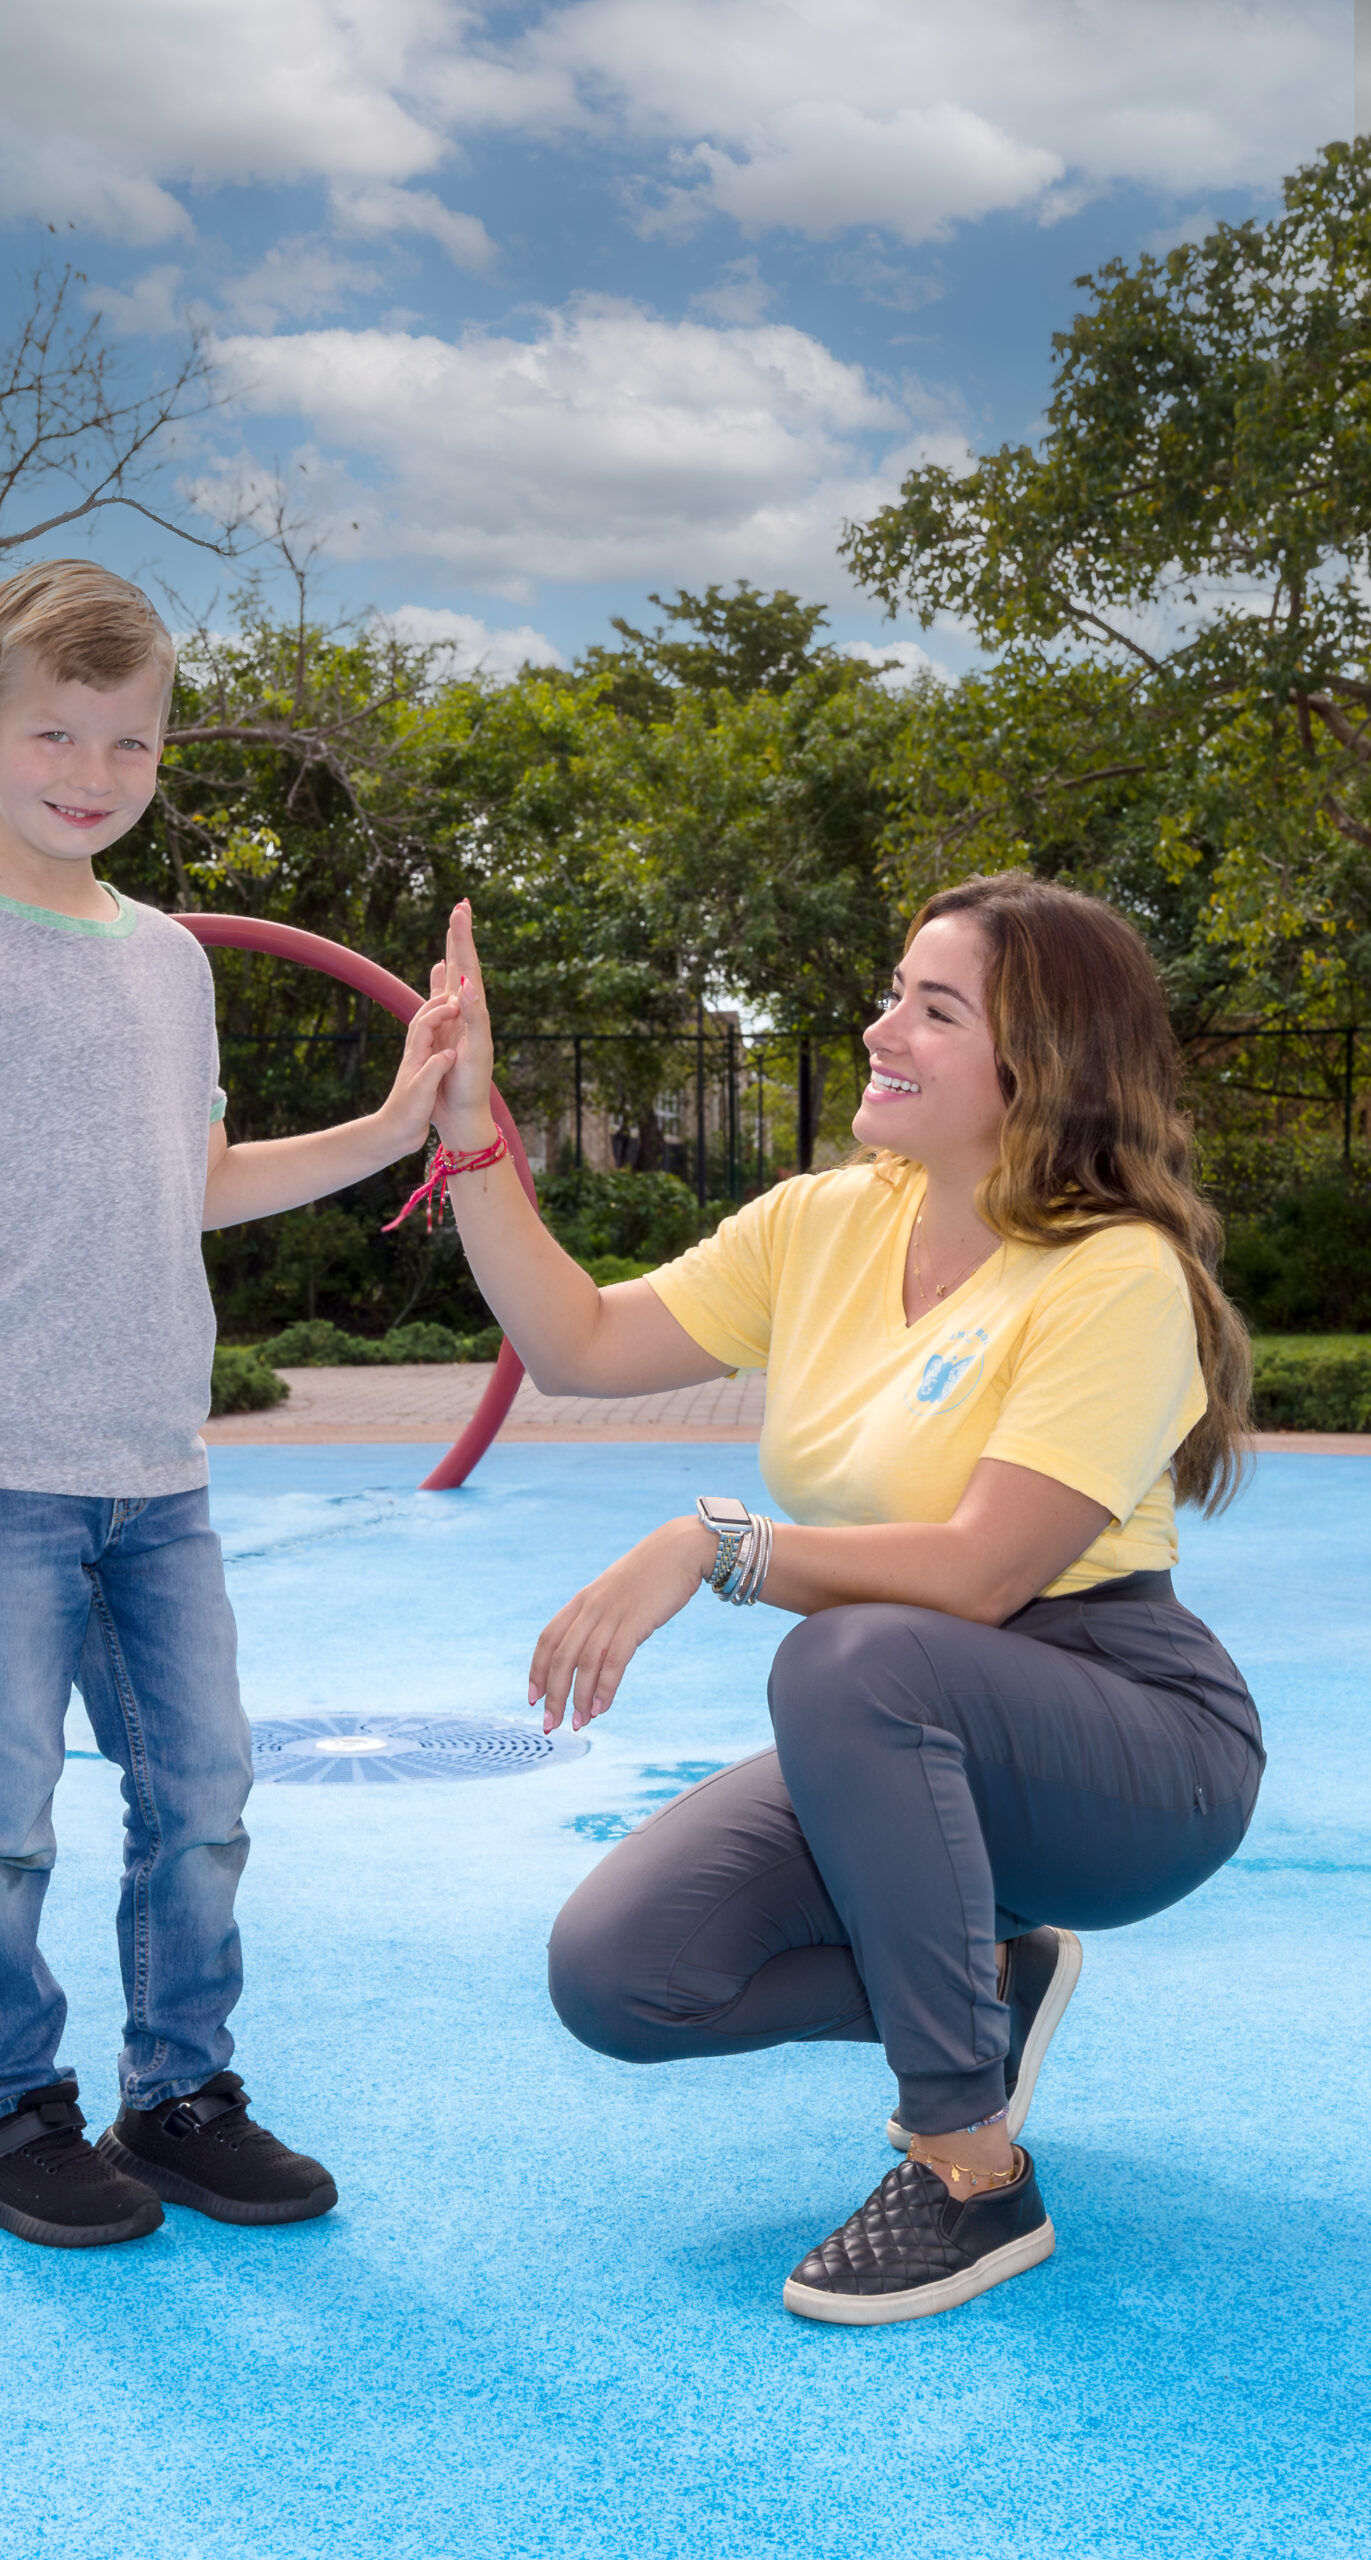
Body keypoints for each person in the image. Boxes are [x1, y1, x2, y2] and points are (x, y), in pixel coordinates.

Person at [419, 872, 1262, 2325]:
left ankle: (968, 2173)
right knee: (623, 1975)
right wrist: (468, 1129)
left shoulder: (1119, 1275)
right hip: (910, 1717)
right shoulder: (825, 1222)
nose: (883, 1028)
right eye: (894, 992)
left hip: (1127, 1736)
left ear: (1037, 1066)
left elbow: (988, 1570)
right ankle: (986, 1976)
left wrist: (718, 1544)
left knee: (850, 1659)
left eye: (933, 1010)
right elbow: (571, 1341)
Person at [0, 560, 459, 2249]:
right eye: (56, 733)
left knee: (202, 1795)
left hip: (158, 1479)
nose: (92, 772)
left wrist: (397, 1127)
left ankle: (178, 2095)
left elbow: (191, 1180)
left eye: (129, 744)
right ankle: (7, 2117)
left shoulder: (171, 966)